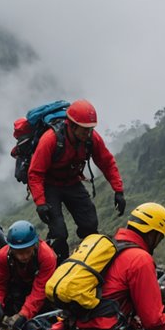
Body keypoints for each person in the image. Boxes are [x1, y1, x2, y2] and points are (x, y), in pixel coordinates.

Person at [28, 99, 125, 262]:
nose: (89, 133)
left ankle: (89, 261)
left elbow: (107, 162)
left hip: (72, 181)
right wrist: (41, 203)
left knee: (90, 225)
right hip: (50, 185)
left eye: (91, 129)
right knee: (59, 233)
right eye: (85, 129)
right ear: (71, 125)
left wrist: (118, 190)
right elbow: (35, 173)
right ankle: (56, 264)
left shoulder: (91, 138)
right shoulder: (50, 139)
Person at [0, 220, 57, 330]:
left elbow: (40, 289)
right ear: (11, 249)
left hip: (41, 288)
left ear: (34, 244)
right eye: (19, 252)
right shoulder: (3, 257)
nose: (24, 256)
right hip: (18, 286)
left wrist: (24, 314)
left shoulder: (47, 256)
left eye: (27, 251)